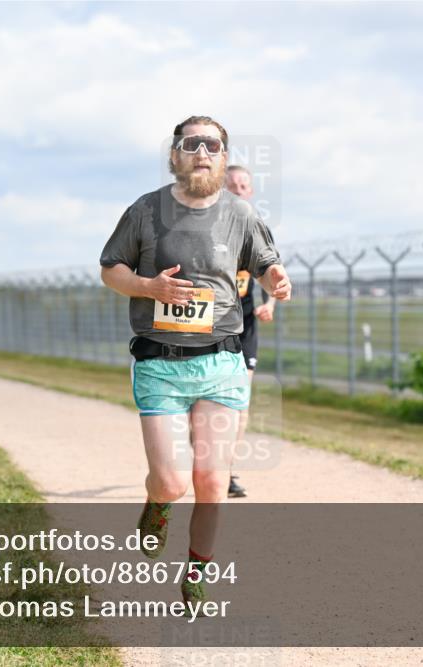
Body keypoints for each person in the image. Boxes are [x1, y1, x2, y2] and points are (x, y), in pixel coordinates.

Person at [99, 115, 291, 605]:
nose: (202, 151)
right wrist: (148, 286)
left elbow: (266, 260)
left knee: (210, 479)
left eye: (212, 144)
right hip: (159, 363)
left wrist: (276, 280)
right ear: (175, 155)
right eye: (191, 143)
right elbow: (110, 269)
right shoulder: (145, 211)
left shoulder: (241, 214)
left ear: (223, 157)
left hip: (221, 361)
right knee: (171, 480)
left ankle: (197, 569)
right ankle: (156, 504)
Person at [223, 165, 277, 498]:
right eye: (232, 186)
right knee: (206, 402)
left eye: (244, 186)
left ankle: (226, 470)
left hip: (245, 323)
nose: (239, 191)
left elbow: (272, 272)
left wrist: (270, 303)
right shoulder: (206, 228)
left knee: (240, 400)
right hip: (211, 325)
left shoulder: (258, 230)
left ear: (251, 191)